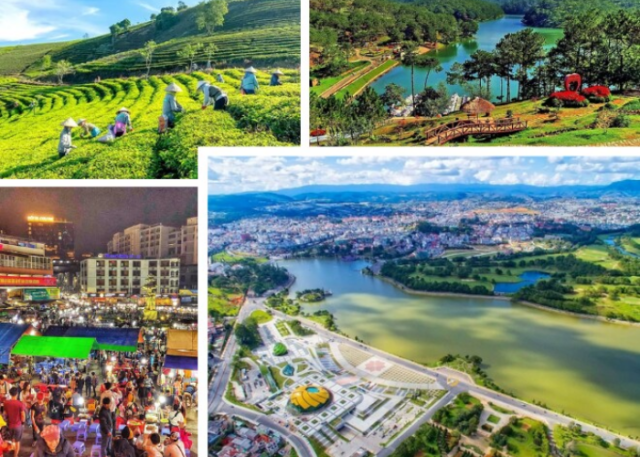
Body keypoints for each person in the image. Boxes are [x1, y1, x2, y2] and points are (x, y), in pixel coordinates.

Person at [4, 387, 26, 457]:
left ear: (10, 394)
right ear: (17, 394)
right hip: (18, 425)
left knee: (12, 439)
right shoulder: (20, 403)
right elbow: (23, 415)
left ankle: (13, 449)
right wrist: (23, 423)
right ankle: (15, 455)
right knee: (17, 441)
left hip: (10, 425)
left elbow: (5, 414)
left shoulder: (6, 403)